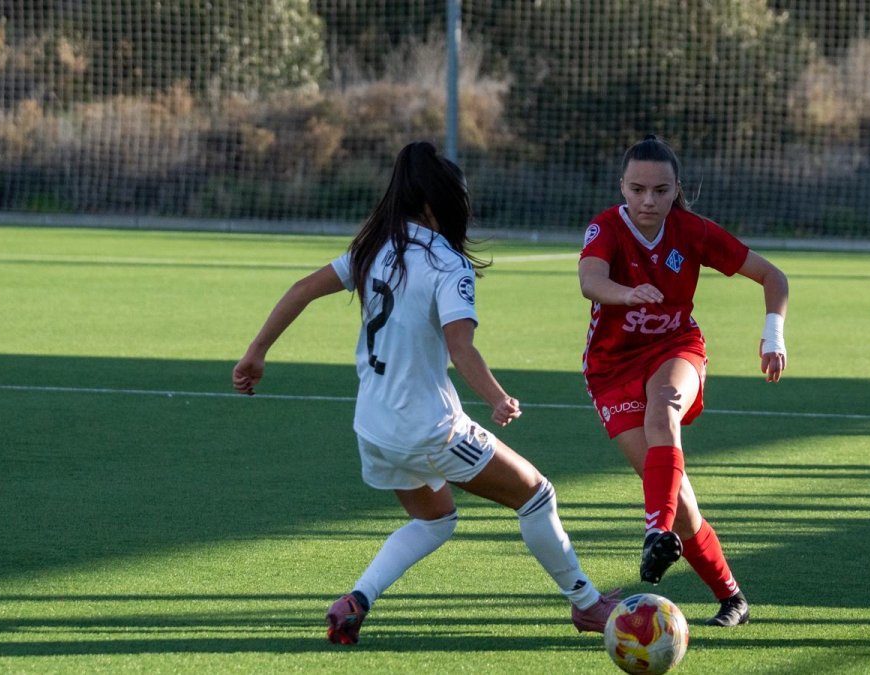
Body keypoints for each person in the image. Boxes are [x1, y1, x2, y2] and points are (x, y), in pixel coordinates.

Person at [233, 141, 619, 645]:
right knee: (536, 495)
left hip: (373, 428)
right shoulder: (448, 265)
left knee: (436, 521)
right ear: (443, 203)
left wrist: (255, 353)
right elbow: (462, 350)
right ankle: (588, 606)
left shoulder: (373, 249)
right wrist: (498, 397)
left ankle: (357, 599)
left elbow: (303, 288)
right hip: (429, 428)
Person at [577, 135, 789, 627]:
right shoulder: (606, 227)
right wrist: (625, 295)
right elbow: (590, 280)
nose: (648, 200)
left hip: (676, 349)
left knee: (664, 409)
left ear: (677, 190)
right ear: (622, 188)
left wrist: (772, 336)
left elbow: (773, 277)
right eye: (637, 189)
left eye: (660, 190)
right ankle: (732, 597)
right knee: (683, 507)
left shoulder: (692, 232)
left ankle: (654, 534)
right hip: (610, 370)